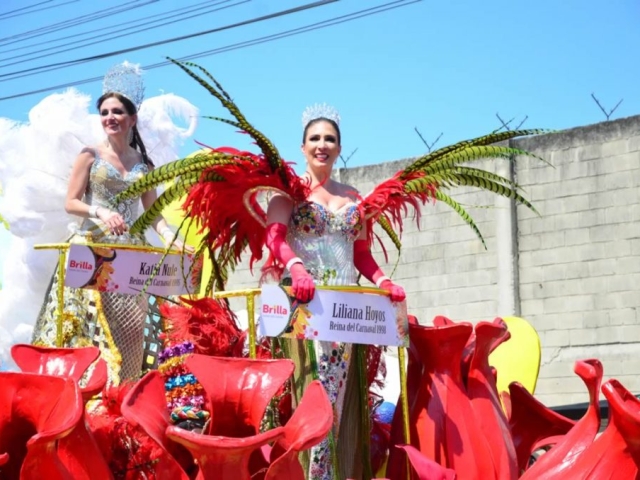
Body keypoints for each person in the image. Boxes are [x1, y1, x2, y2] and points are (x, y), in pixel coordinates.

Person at [264, 105, 406, 480]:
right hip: (305, 311)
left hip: (345, 314)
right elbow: (274, 238)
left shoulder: (354, 198)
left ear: (340, 147)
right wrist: (296, 268)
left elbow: (361, 255)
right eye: (315, 138)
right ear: (302, 146)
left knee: (341, 401)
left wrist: (383, 283)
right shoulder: (288, 192)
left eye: (330, 138)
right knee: (311, 396)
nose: (322, 145)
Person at [31, 63, 193, 384]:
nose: (110, 118)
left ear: (132, 119)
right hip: (93, 255)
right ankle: (93, 404)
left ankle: (127, 400)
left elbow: (155, 215)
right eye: (104, 112)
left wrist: (173, 241)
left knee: (133, 332)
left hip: (132, 257)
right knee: (93, 333)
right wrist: (100, 213)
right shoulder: (90, 155)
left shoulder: (143, 165)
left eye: (117, 111)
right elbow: (71, 202)